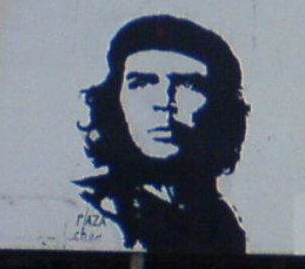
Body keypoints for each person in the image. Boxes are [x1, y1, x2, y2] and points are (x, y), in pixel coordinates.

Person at [76, 15, 249, 253]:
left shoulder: (222, 220)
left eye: (187, 84)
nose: (164, 102)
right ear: (113, 99)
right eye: (141, 83)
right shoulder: (92, 207)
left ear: (220, 105)